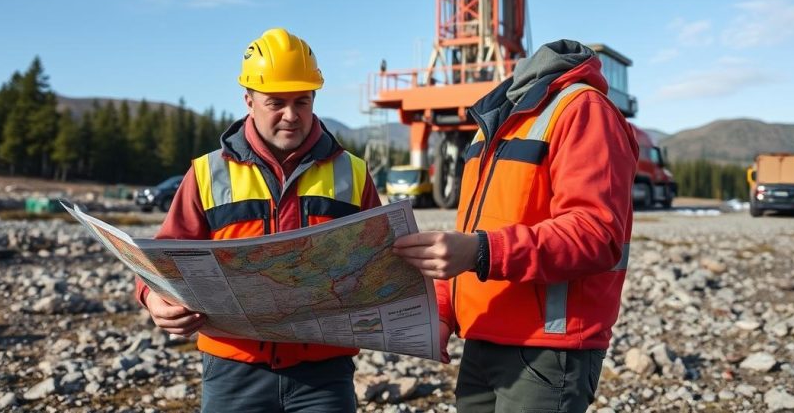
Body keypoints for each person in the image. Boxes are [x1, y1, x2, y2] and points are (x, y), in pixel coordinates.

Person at [135, 28, 382, 413]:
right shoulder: (206, 173)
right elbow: (161, 257)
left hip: (325, 374)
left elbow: (380, 264)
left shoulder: (353, 173)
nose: (291, 115)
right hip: (233, 370)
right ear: (248, 100)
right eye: (276, 102)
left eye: (302, 101)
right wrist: (153, 298)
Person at [393, 39, 638, 413]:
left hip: (546, 349)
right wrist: (443, 309)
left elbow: (595, 234)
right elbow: (472, 229)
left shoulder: (584, 109)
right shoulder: (496, 117)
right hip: (482, 335)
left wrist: (480, 251)